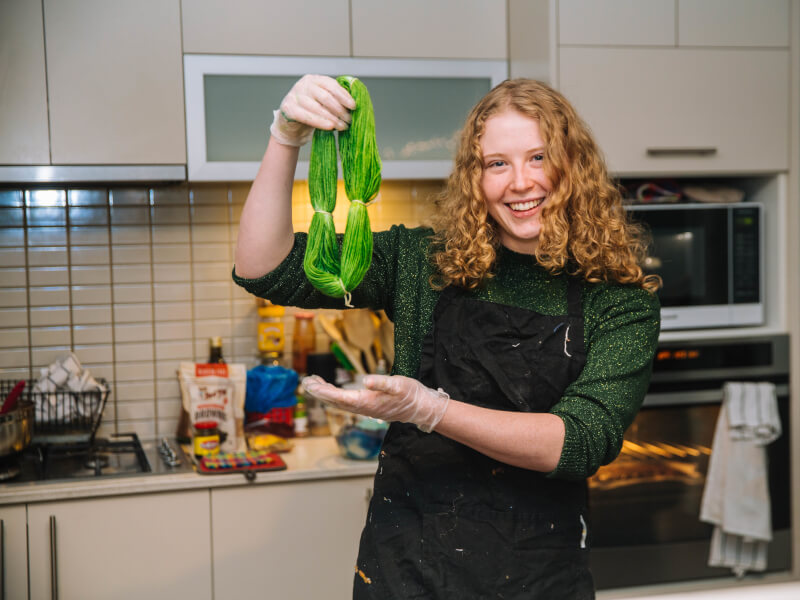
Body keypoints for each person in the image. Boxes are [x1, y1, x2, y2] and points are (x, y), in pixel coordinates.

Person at [233, 74, 661, 599]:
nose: (520, 182)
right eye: (497, 163)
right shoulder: (423, 262)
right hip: (407, 568)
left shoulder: (620, 300)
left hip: (536, 578)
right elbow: (264, 268)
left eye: (539, 157)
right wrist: (284, 137)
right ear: (475, 178)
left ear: (574, 165)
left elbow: (578, 442)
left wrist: (430, 410)